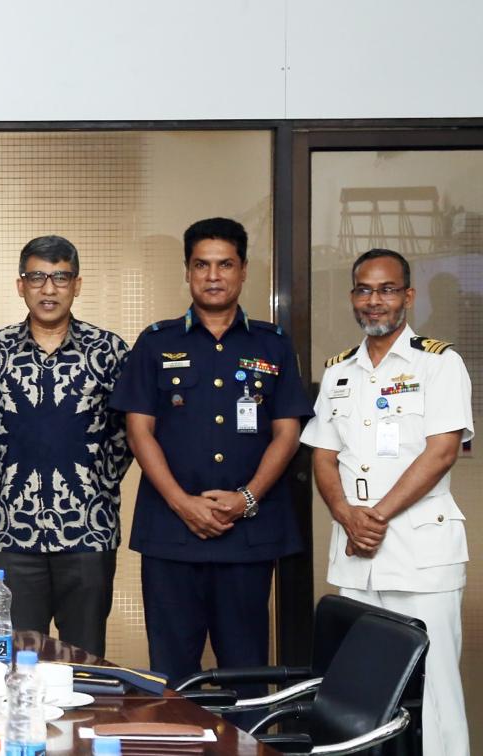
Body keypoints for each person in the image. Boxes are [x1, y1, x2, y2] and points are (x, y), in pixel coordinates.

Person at [108, 217, 311, 693]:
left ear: (243, 271)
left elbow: (287, 433)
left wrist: (247, 498)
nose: (213, 276)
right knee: (172, 677)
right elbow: (139, 432)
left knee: (247, 673)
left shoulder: (273, 343)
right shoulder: (156, 343)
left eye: (225, 264)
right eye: (202, 265)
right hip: (171, 535)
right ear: (187, 271)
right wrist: (182, 503)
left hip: (248, 536)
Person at [301, 248, 472, 755]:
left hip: (420, 553)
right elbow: (323, 455)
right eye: (364, 290)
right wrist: (346, 516)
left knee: (435, 690)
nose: (374, 300)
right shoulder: (339, 372)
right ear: (353, 296)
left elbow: (442, 452)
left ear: (408, 296)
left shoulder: (439, 363)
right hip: (358, 557)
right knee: (363, 691)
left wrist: (373, 518)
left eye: (387, 289)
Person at [0, 236, 130, 656]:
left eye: (60, 277)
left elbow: (125, 436)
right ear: (20, 285)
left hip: (88, 531)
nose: (49, 289)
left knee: (85, 656)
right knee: (16, 658)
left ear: (77, 285)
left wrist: (95, 483)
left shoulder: (109, 351)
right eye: (37, 277)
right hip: (12, 531)